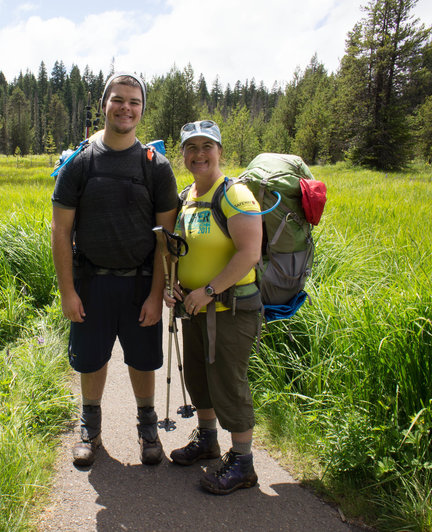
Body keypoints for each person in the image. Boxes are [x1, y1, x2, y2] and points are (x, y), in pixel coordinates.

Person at [51, 73, 178, 467]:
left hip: (141, 284)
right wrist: (67, 291)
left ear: (142, 109)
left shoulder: (156, 167)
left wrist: (157, 295)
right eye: (118, 99)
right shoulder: (79, 164)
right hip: (90, 283)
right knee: (90, 360)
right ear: (104, 104)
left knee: (143, 361)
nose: (126, 107)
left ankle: (147, 426)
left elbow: (165, 239)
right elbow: (61, 230)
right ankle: (89, 428)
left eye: (134, 102)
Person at [164, 119, 263, 494]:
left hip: (230, 309)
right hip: (195, 307)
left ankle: (243, 463)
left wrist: (208, 289)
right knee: (199, 379)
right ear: (184, 155)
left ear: (220, 151)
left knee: (228, 383)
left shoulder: (235, 194)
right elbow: (183, 251)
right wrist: (177, 285)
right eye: (191, 148)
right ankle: (207, 440)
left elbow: (249, 253)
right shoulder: (187, 196)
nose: (199, 154)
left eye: (207, 147)